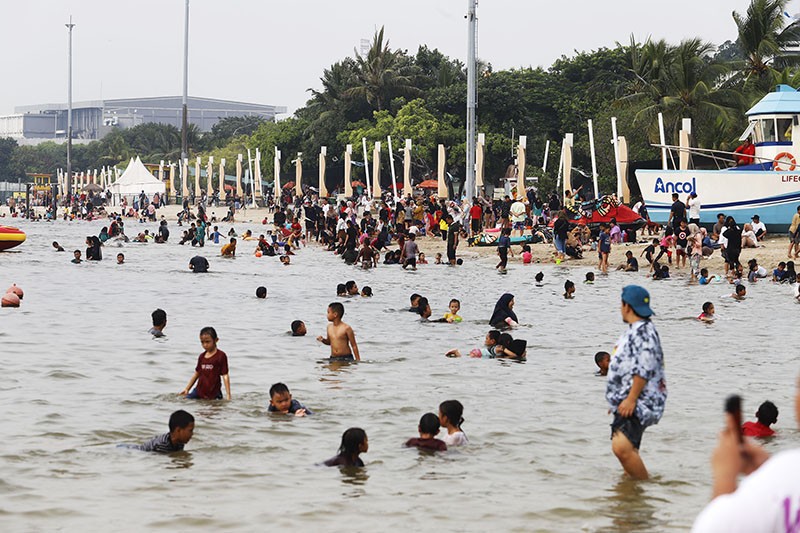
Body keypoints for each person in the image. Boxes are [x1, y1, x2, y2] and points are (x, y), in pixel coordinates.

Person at [690, 379, 800, 532]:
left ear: (756, 414)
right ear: (774, 421)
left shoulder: (746, 426)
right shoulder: (772, 435)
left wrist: (725, 476)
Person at [606, 285, 667, 480]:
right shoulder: (634, 330)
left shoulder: (644, 331)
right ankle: (632, 499)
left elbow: (645, 366)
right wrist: (618, 399)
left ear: (627, 306)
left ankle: (644, 487)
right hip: (628, 398)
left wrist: (631, 399)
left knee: (621, 446)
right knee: (628, 449)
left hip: (640, 399)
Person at [179, 326, 231, 400]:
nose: (205, 345)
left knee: (214, 409)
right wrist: (187, 389)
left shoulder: (221, 356)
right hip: (199, 390)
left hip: (214, 391)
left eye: (207, 342)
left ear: (216, 340)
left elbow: (225, 375)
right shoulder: (202, 356)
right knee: (185, 400)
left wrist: (228, 394)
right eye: (202, 342)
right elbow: (197, 374)